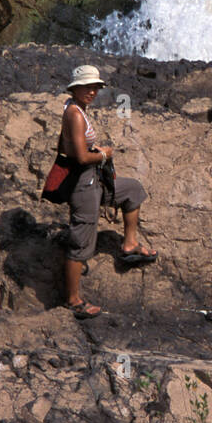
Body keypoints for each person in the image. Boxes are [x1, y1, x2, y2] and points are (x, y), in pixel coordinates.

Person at [58, 64, 157, 319]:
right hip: (83, 184)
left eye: (95, 87)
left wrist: (96, 151)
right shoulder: (75, 114)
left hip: (93, 180)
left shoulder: (76, 108)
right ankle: (72, 300)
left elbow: (71, 146)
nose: (92, 91)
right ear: (76, 88)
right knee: (81, 243)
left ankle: (130, 244)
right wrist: (104, 154)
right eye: (87, 87)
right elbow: (80, 157)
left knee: (132, 191)